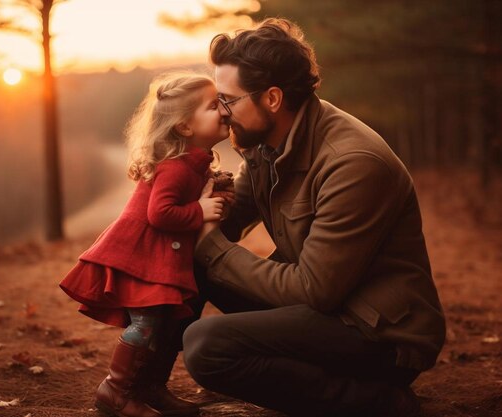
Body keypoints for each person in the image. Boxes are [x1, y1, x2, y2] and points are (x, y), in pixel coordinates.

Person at [181, 18, 446, 417]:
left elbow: (313, 289)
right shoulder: (266, 142)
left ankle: (376, 403)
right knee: (184, 254)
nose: (221, 112)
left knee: (206, 345)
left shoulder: (353, 163)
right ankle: (135, 386)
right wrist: (183, 199)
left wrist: (211, 246)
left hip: (378, 334)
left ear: (271, 98)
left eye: (228, 100)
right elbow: (230, 218)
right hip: (324, 310)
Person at [59, 72, 232, 417]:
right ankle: (116, 391)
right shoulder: (175, 168)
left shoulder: (194, 163)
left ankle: (149, 388)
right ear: (184, 127)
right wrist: (199, 209)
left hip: (158, 258)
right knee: (146, 324)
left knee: (163, 324)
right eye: (214, 105)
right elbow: (160, 213)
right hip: (139, 257)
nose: (225, 110)